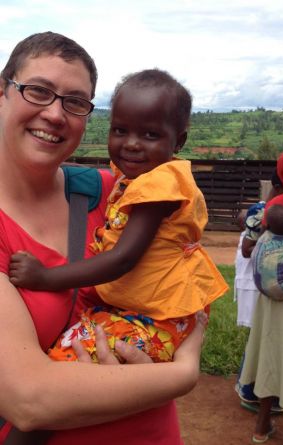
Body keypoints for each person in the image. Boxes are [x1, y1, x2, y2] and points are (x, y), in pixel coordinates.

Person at [0, 31, 206, 445]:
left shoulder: (112, 192)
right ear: (2, 92)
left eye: (75, 101)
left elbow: (172, 271)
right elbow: (29, 400)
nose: (56, 115)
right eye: (38, 91)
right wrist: (181, 373)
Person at [9, 68, 228, 364]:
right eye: (120, 130)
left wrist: (46, 277)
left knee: (65, 364)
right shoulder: (133, 179)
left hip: (158, 319)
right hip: (137, 311)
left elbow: (122, 259)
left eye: (150, 134)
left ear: (178, 141)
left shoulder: (160, 185)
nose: (132, 143)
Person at [240, 146, 283, 444]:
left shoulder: (274, 204)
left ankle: (261, 426)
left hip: (273, 298)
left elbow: (251, 245)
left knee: (269, 353)